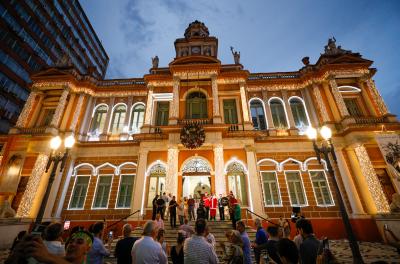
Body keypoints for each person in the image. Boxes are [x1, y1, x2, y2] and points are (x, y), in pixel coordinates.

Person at [6, 230, 93, 264]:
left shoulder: (48, 258)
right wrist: (15, 258)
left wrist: (47, 256)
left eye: (79, 242)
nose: (72, 244)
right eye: (70, 241)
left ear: (88, 249)